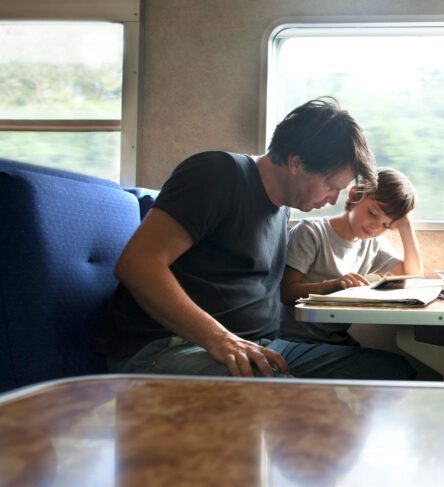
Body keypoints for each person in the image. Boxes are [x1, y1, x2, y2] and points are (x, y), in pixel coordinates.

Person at [97, 97, 414, 380]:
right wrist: (222, 339)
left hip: (257, 345)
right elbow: (137, 264)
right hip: (171, 346)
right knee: (289, 398)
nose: (333, 200)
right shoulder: (217, 174)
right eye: (331, 186)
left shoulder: (282, 210)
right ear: (296, 162)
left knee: (390, 373)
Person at [280, 168, 422, 347]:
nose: (375, 227)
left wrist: (406, 226)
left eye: (386, 224)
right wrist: (332, 286)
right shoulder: (311, 232)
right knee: (397, 369)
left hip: (336, 341)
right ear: (355, 196)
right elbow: (286, 292)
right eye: (373, 213)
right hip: (298, 340)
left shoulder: (371, 244)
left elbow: (413, 276)